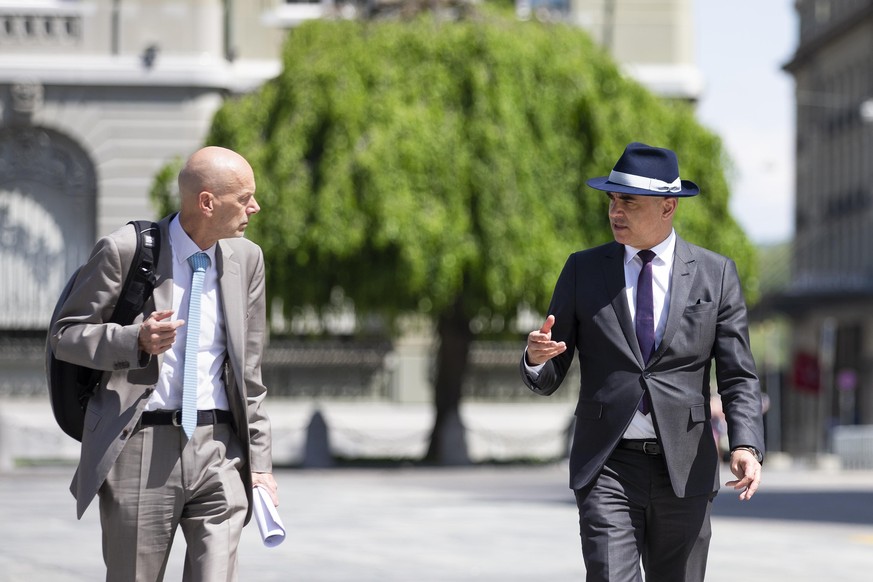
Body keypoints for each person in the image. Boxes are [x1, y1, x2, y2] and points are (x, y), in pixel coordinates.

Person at [520, 142, 765, 581]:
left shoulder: (716, 274)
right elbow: (552, 366)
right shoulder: (583, 270)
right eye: (613, 199)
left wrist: (746, 444)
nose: (616, 210)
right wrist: (537, 359)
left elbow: (738, 374)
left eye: (628, 201)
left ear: (668, 206)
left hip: (685, 468)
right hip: (608, 465)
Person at [50, 146, 278, 581]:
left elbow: (250, 372)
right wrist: (134, 340)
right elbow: (65, 335)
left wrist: (261, 465)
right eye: (245, 197)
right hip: (140, 447)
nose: (255, 206)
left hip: (220, 449)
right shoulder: (125, 250)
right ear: (207, 202)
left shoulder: (247, 260)